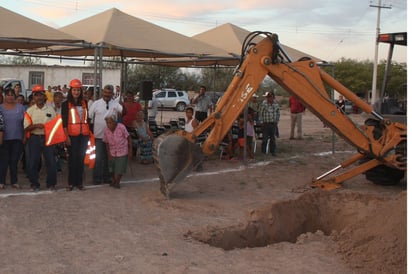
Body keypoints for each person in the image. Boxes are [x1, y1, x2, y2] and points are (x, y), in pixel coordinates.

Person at [24, 84, 57, 191]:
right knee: (32, 162)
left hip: (48, 139)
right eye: (36, 95)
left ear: (44, 96)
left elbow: (55, 125)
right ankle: (34, 184)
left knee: (51, 162)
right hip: (34, 138)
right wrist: (36, 126)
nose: (39, 97)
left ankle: (51, 184)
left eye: (41, 95)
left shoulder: (51, 110)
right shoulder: (29, 111)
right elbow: (26, 128)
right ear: (33, 97)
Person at [88, 84, 123, 185]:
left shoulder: (115, 104)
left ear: (112, 94)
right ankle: (97, 178)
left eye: (109, 93)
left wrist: (123, 104)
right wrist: (90, 132)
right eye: (106, 92)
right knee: (98, 158)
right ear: (103, 92)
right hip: (98, 136)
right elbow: (89, 117)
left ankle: (107, 177)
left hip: (111, 137)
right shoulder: (96, 103)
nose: (107, 94)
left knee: (109, 159)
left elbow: (123, 111)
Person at [61, 79, 91, 191]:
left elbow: (87, 119)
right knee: (72, 159)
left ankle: (79, 183)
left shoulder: (85, 103)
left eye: (78, 90)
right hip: (72, 135)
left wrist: (89, 133)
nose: (76, 92)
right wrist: (66, 136)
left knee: (80, 158)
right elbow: (64, 122)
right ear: (71, 90)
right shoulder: (65, 104)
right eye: (74, 90)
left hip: (83, 135)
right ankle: (71, 183)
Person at [0, 88, 25, 189]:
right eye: (8, 95)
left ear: (15, 96)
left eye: (11, 95)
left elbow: (25, 122)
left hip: (17, 138)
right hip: (3, 139)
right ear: (4, 96)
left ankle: (14, 181)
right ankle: (1, 181)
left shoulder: (21, 107)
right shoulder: (0, 108)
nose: (10, 97)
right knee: (3, 161)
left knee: (14, 161)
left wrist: (24, 136)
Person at [103, 114, 132, 189]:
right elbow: (106, 142)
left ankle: (117, 182)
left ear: (115, 122)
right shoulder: (106, 130)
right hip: (112, 151)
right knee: (111, 168)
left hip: (122, 150)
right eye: (107, 123)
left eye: (110, 122)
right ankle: (114, 180)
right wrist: (108, 153)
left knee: (120, 168)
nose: (108, 125)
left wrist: (130, 150)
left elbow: (128, 138)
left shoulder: (121, 127)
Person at [259, 91, 280, 156]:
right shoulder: (263, 104)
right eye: (269, 97)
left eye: (271, 97)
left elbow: (278, 114)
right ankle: (263, 152)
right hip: (266, 124)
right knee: (265, 139)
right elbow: (260, 113)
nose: (270, 99)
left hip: (273, 124)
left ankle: (273, 152)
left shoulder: (276, 104)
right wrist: (261, 122)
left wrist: (276, 121)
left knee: (273, 139)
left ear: (273, 97)